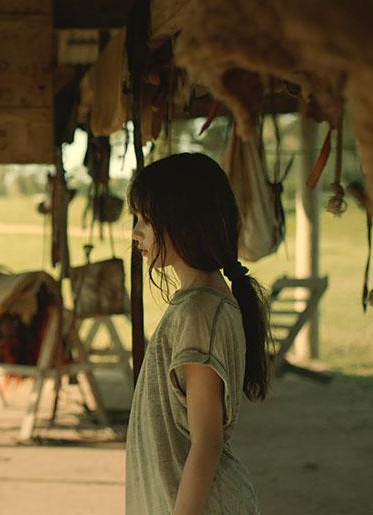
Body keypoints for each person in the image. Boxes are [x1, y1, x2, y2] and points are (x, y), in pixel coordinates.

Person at [125, 153, 268, 514]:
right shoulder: (197, 306)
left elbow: (207, 443)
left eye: (146, 220)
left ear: (183, 222)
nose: (135, 232)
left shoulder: (199, 313)